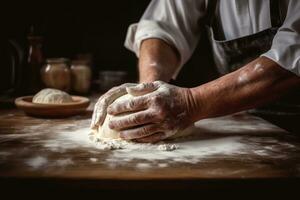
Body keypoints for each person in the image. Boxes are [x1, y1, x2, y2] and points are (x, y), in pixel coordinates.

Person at [91, 0, 300, 143]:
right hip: (245, 127)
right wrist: (149, 91)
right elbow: (161, 26)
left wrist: (191, 102)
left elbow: (293, 54)